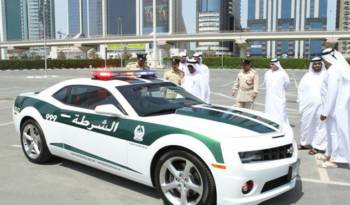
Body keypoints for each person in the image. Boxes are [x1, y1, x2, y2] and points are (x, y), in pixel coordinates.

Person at [319, 48, 350, 168]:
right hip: (338, 108)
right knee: (332, 133)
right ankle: (330, 153)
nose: (325, 62)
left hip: (335, 109)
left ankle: (338, 160)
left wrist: (325, 112)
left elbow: (332, 93)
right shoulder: (342, 67)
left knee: (336, 133)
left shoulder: (334, 70)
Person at [297, 57, 328, 155]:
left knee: (320, 125)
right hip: (307, 106)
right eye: (315, 64)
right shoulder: (307, 76)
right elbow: (300, 91)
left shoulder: (326, 75)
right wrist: (301, 103)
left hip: (322, 105)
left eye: (319, 64)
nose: (317, 65)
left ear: (322, 65)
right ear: (312, 65)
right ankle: (305, 143)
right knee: (306, 124)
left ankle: (318, 146)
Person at [264, 58, 293, 135]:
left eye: (273, 64)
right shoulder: (267, 73)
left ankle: (282, 127)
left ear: (277, 64)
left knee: (280, 111)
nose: (271, 65)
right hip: (269, 98)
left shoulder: (283, 73)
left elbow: (287, 84)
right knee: (269, 111)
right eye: (271, 64)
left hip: (279, 97)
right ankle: (270, 126)